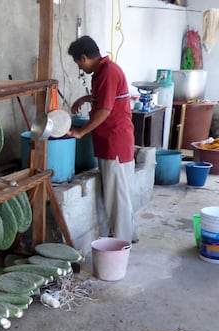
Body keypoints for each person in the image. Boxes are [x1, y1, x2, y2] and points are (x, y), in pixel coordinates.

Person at [67, 35, 137, 243]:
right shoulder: (104, 71)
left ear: (84, 57)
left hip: (114, 141)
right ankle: (127, 236)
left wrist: (80, 132)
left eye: (78, 63)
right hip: (113, 140)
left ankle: (119, 243)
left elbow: (105, 110)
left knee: (116, 197)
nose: (80, 67)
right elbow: (107, 98)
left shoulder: (107, 72)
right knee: (119, 194)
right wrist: (87, 98)